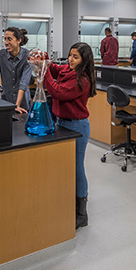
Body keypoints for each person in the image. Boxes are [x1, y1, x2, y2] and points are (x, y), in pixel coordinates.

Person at [42, 42, 96, 230]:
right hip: (62, 123)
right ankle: (70, 203)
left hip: (77, 126)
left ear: (84, 60)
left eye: (75, 57)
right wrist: (45, 62)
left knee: (77, 168)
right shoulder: (68, 70)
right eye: (70, 55)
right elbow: (57, 69)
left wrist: (44, 73)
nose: (70, 60)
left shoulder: (83, 80)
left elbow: (58, 92)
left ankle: (82, 214)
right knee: (65, 166)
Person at [0, 27, 32, 113]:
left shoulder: (28, 56)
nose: (6, 42)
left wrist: (17, 105)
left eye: (9, 39)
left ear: (18, 40)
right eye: (5, 39)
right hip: (6, 102)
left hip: (23, 103)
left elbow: (23, 83)